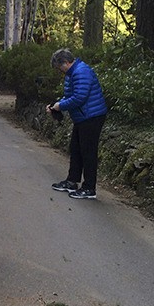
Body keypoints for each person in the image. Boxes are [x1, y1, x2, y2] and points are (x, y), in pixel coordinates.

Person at [48, 48, 108, 200]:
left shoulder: (81, 72)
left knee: (88, 152)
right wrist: (57, 103)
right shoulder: (72, 73)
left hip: (91, 116)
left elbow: (80, 98)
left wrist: (60, 106)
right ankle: (72, 181)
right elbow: (70, 95)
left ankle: (89, 188)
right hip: (82, 117)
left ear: (66, 63)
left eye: (59, 67)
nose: (59, 71)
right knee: (75, 149)